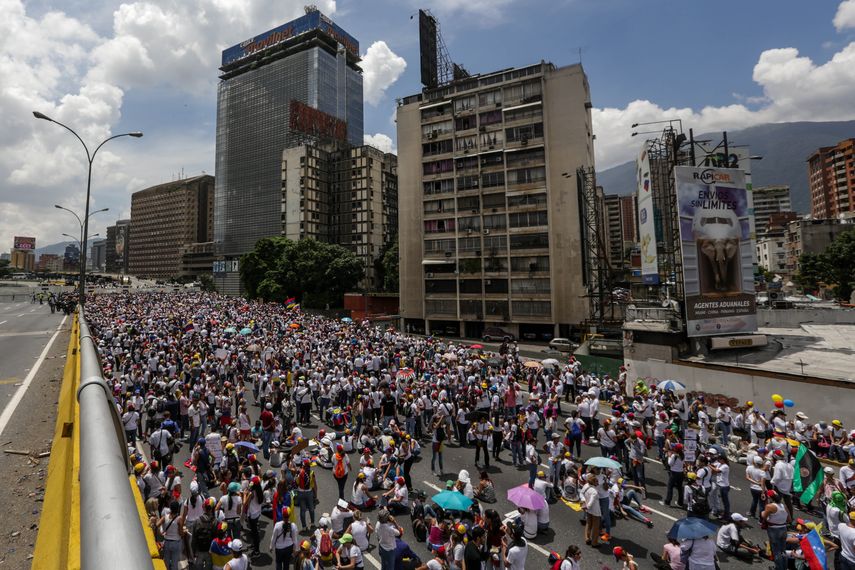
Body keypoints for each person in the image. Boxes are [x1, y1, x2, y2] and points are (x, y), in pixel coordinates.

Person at [761, 490, 791, 570]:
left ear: (770, 497)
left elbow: (764, 517)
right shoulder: (784, 506)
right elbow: (789, 520)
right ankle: (784, 567)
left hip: (774, 530)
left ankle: (778, 568)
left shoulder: (769, 506)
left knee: (776, 551)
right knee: (782, 550)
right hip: (784, 529)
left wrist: (762, 512)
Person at [270, 506, 298, 570]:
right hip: (289, 548)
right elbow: (295, 539)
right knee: (286, 564)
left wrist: (271, 547)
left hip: (279, 549)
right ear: (290, 515)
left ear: (282, 515)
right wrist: (296, 549)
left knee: (279, 563)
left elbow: (273, 537)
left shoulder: (277, 525)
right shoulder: (293, 526)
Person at [581, 474, 601, 547]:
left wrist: (584, 502)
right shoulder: (594, 491)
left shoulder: (586, 485)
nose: (598, 483)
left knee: (589, 523)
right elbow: (591, 502)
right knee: (596, 527)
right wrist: (587, 506)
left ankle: (587, 538)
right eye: (597, 482)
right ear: (593, 482)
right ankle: (594, 542)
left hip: (589, 510)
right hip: (595, 510)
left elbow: (581, 493)